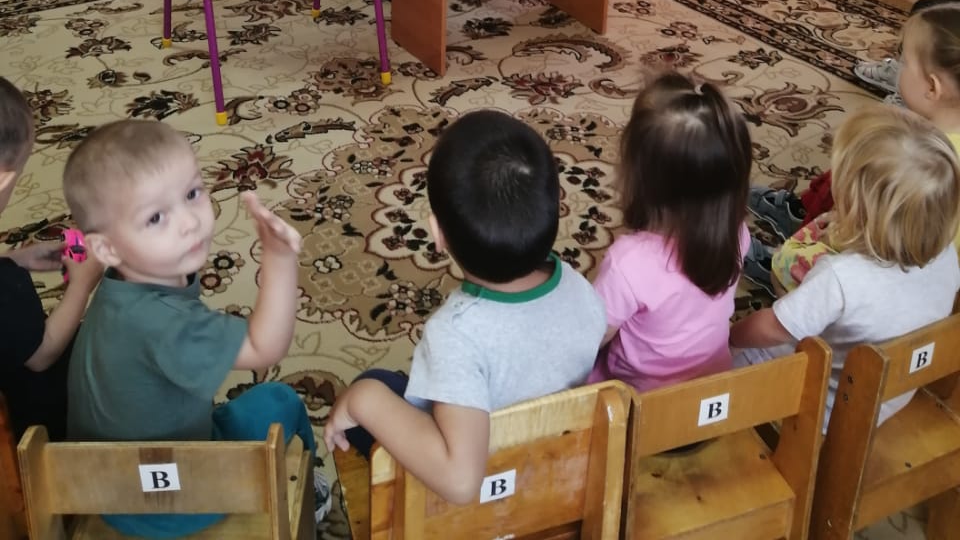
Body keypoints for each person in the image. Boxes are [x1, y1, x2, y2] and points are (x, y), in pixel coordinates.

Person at [322, 109, 606, 504]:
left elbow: (460, 481)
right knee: (389, 385)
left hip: (491, 493)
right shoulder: (580, 288)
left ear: (437, 234)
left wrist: (362, 399)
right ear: (560, 206)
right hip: (556, 459)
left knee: (372, 387)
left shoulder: (456, 333)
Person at [62, 119, 330, 536]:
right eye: (155, 217)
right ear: (107, 247)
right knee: (279, 399)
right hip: (175, 501)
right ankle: (310, 493)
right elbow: (265, 348)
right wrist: (279, 259)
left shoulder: (119, 280)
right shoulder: (165, 323)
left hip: (104, 486)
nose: (188, 221)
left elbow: (79, 245)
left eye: (191, 193)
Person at [731, 105, 960, 430]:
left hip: (824, 411)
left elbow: (771, 328)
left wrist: (729, 336)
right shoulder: (947, 257)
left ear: (856, 208)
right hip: (887, 397)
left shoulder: (840, 277)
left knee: (723, 360)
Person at [746, 0, 960, 293]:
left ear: (932, 87)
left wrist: (830, 235)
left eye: (904, 62)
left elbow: (875, 238)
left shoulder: (918, 154)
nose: (897, 68)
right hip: (926, 264)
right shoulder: (932, 137)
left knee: (860, 172)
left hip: (886, 270)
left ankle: (786, 275)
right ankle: (801, 212)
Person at [588, 73, 753, 392]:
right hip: (711, 388)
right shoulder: (737, 233)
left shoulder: (628, 262)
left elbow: (593, 335)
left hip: (641, 400)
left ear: (638, 177)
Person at [0, 77, 102, 441]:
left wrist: (15, 259)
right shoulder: (5, 291)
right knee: (91, 348)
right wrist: (81, 285)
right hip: (23, 424)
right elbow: (41, 355)